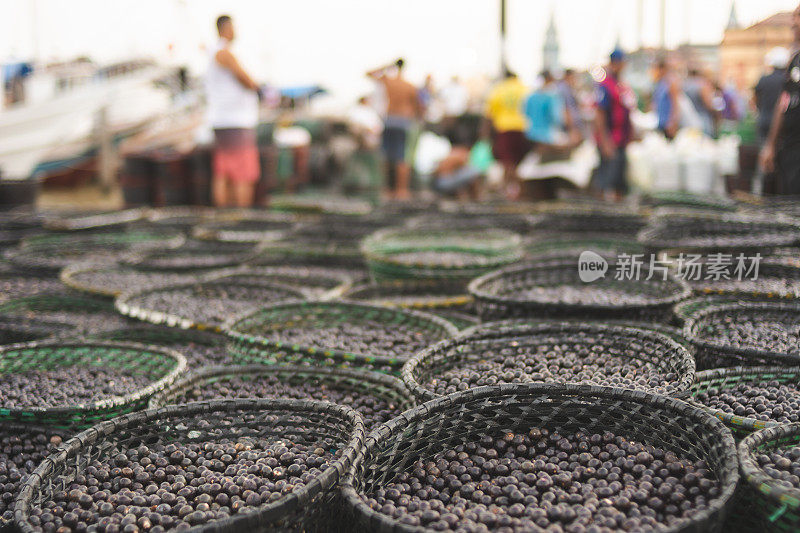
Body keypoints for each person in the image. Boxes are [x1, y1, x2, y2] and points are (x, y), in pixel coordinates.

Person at [205, 15, 262, 207]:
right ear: (226, 28)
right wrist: (259, 88)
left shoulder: (215, 53)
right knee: (242, 173)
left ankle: (225, 218)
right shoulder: (223, 53)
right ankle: (240, 217)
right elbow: (246, 80)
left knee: (224, 171)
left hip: (222, 120)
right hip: (235, 121)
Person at [367, 58, 423, 200]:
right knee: (402, 157)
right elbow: (419, 107)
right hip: (403, 122)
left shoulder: (389, 82)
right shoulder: (410, 86)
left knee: (386, 157)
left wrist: (386, 66)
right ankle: (401, 190)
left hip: (389, 120)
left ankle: (386, 189)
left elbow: (369, 74)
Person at [761, 3, 800, 195]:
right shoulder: (795, 61)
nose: (794, 23)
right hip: (791, 151)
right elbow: (783, 103)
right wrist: (770, 145)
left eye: (799, 16)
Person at [593, 49, 634, 201]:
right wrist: (605, 141)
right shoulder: (605, 86)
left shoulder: (621, 86)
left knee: (619, 182)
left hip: (621, 140)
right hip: (610, 141)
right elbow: (599, 114)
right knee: (606, 181)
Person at [485, 69, 529, 200]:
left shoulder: (499, 89)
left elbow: (489, 114)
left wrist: (485, 134)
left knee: (507, 162)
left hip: (504, 128)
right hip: (522, 128)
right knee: (518, 162)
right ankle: (518, 190)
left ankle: (509, 190)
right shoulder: (524, 89)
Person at [755, 47, 791, 145]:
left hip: (764, 120)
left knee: (764, 150)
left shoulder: (764, 80)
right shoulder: (788, 81)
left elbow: (756, 99)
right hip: (783, 125)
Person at [523, 70, 565, 146]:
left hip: (531, 134)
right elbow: (556, 117)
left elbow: (526, 113)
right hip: (548, 136)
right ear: (549, 80)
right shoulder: (551, 96)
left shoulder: (531, 97)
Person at [651, 59, 681, 139]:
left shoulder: (670, 83)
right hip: (660, 123)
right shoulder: (659, 83)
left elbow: (675, 104)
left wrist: (673, 122)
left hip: (668, 124)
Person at [684, 68, 718, 137]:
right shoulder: (702, 85)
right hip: (702, 120)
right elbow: (709, 104)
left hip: (687, 121)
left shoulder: (684, 85)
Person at [558, 69, 587, 139]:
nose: (575, 79)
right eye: (574, 77)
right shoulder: (563, 89)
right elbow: (566, 109)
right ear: (568, 76)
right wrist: (572, 129)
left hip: (574, 124)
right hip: (571, 126)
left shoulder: (569, 88)